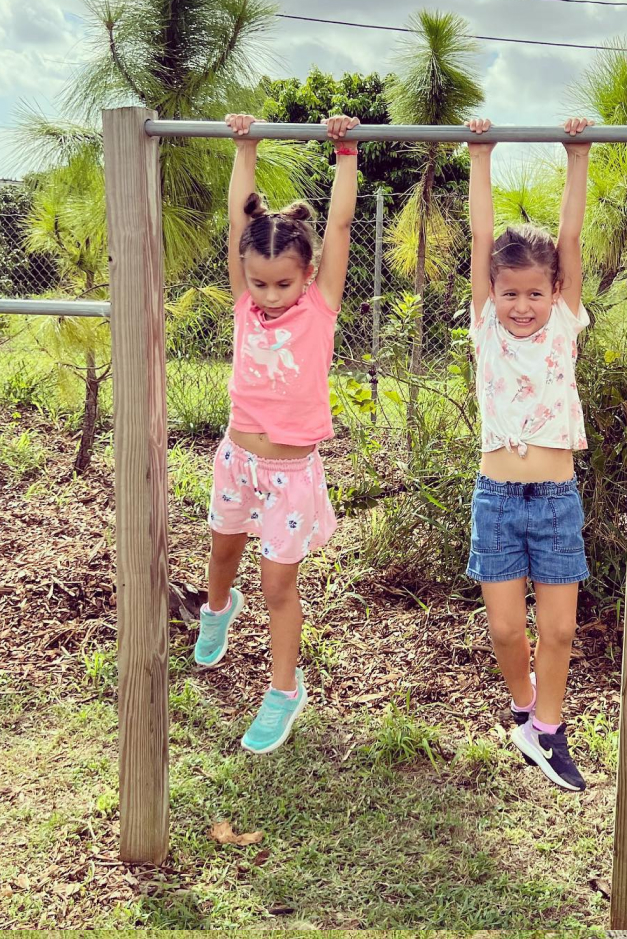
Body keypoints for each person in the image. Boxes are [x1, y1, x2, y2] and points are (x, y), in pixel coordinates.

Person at [194, 111, 360, 755]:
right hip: (236, 457)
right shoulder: (245, 298)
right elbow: (240, 223)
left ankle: (283, 691)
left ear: (307, 272)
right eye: (258, 282)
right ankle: (216, 608)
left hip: (290, 473)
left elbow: (342, 224)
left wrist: (345, 152)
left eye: (281, 283)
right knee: (221, 553)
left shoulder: (319, 306)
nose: (266, 295)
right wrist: (246, 147)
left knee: (276, 587)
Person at [465, 115, 594, 791]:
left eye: (534, 293)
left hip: (554, 499)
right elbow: (482, 236)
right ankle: (524, 709)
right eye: (510, 292)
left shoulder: (563, 324)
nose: (521, 305)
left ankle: (549, 728)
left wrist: (577, 159)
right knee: (508, 631)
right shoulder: (486, 325)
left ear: (554, 292)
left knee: (562, 630)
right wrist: (479, 157)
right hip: (497, 499)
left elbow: (569, 238)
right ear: (494, 294)